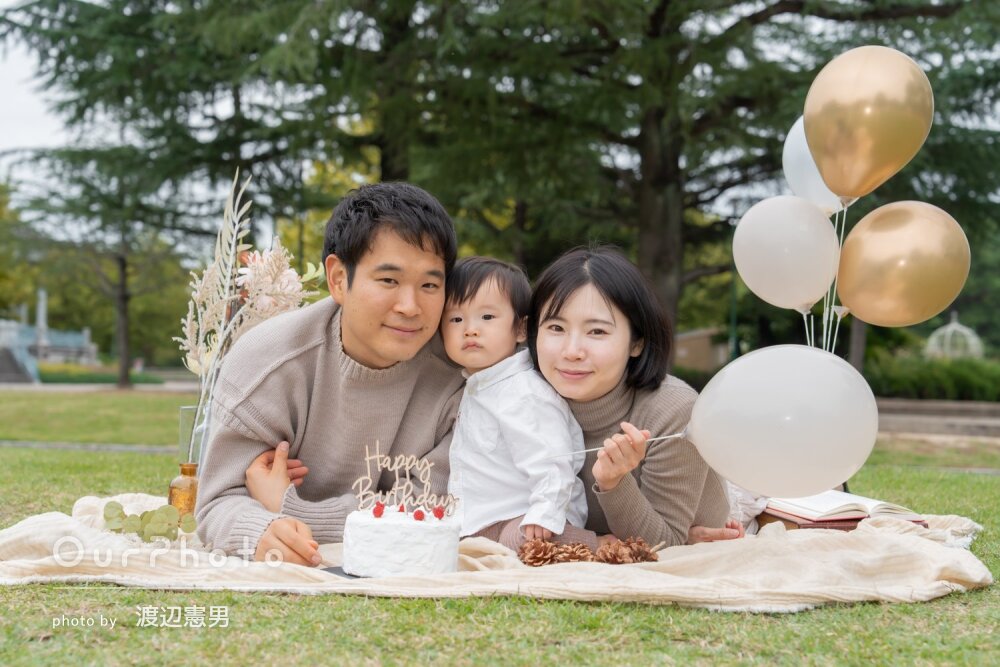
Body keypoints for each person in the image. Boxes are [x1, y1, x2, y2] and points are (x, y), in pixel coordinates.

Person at [195, 182, 466, 566]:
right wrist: (259, 531)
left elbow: (433, 509)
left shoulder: (459, 376)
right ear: (339, 279)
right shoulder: (268, 363)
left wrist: (292, 510)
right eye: (388, 280)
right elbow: (218, 500)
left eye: (429, 285)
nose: (410, 306)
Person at [527, 245, 743, 547]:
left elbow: (663, 544)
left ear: (636, 343)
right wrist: (596, 542)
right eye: (556, 327)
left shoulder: (672, 410)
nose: (572, 351)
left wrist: (614, 483)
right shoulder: (519, 400)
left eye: (597, 332)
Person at [440, 257, 606, 551]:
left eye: (487, 317)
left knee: (520, 540)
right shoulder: (477, 387)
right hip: (486, 519)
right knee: (463, 545)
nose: (470, 329)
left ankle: (598, 544)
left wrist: (544, 514)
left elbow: (552, 459)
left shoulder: (524, 392)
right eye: (456, 319)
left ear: (520, 329)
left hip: (535, 519)